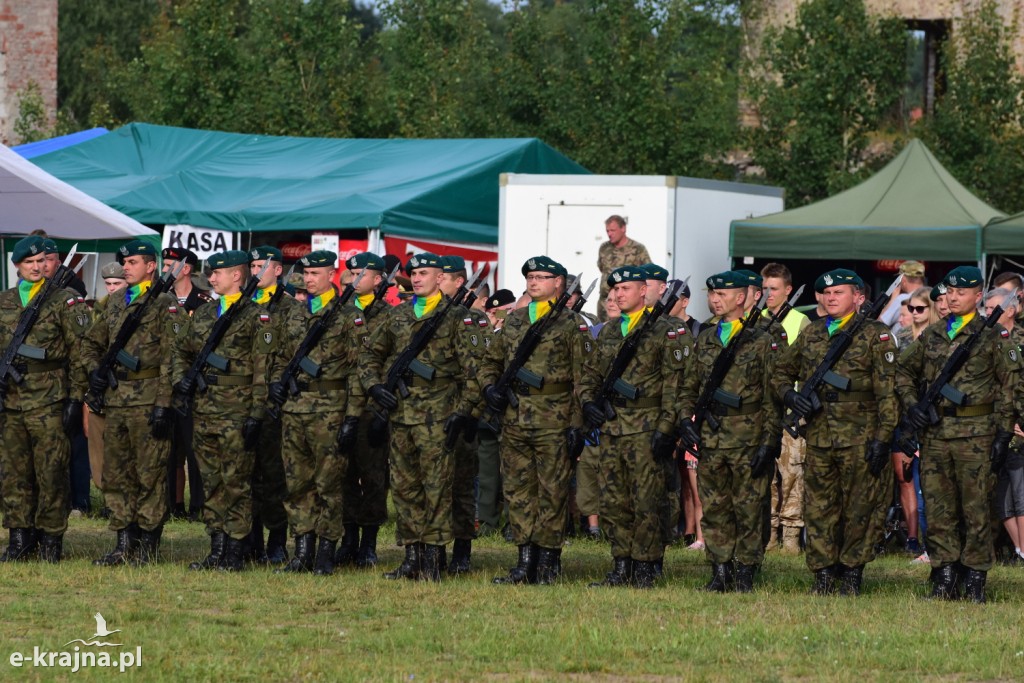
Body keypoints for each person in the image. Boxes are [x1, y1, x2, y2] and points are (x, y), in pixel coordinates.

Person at [895, 266, 1021, 603]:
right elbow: (903, 371)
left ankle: (975, 581)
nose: (953, 297)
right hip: (936, 435)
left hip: (977, 436)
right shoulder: (934, 335)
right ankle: (944, 577)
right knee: (938, 509)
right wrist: (913, 407)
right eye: (949, 291)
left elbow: (1012, 387)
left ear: (978, 296)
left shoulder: (994, 336)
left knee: (977, 510)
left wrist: (1003, 434)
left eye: (961, 292)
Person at [773, 268, 898, 595]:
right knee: (819, 508)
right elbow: (780, 372)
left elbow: (888, 393)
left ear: (858, 297)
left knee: (859, 507)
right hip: (820, 436)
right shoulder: (812, 333)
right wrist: (791, 396)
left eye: (839, 292)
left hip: (861, 435)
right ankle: (824, 573)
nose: (831, 297)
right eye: (826, 293)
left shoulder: (876, 334)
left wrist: (884, 438)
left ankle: (852, 573)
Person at [359, 252, 480, 582]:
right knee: (404, 487)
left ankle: (434, 559)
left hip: (439, 415)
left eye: (424, 272)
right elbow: (369, 353)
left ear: (441, 278)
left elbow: (475, 372)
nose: (416, 277)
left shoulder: (457, 318)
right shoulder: (397, 316)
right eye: (414, 273)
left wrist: (463, 412)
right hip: (400, 413)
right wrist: (373, 386)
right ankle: (412, 556)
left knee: (437, 488)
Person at [481, 256, 590, 585]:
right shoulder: (513, 322)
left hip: (553, 419)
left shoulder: (571, 324)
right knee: (517, 491)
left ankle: (547, 561)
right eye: (530, 276)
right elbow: (491, 359)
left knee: (552, 491)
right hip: (515, 419)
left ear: (559, 283)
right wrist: (489, 387)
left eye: (542, 277)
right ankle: (524, 559)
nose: (534, 282)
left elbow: (582, 377)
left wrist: (576, 424)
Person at [580, 265, 691, 588]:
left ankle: (646, 566)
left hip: (647, 428)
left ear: (644, 291)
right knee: (614, 500)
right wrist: (588, 402)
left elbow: (677, 383)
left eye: (624, 289)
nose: (617, 294)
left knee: (647, 501)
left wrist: (667, 428)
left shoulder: (667, 328)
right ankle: (621, 563)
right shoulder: (611, 331)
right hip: (614, 428)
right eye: (614, 290)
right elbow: (591, 374)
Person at [83, 240, 187, 566]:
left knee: (150, 474)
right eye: (124, 262)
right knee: (116, 474)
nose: (126, 267)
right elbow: (90, 342)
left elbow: (175, 356)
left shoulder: (165, 303)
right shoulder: (115, 303)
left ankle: (147, 545)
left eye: (132, 262)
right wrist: (97, 373)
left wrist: (164, 404)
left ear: (151, 266)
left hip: (148, 398)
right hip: (116, 401)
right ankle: (123, 543)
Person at [677, 271, 782, 593]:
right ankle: (720, 570)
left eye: (722, 294)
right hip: (712, 434)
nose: (714, 299)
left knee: (749, 507)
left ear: (741, 298)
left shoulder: (761, 339)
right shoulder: (705, 338)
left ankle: (746, 572)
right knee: (715, 506)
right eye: (711, 294)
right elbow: (689, 386)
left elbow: (773, 394)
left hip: (748, 435)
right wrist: (685, 420)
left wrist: (770, 440)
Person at [173, 250, 270, 572]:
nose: (211, 279)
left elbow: (263, 369)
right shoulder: (203, 314)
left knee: (236, 482)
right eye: (210, 274)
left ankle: (235, 551)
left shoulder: (257, 316)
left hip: (237, 410)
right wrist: (183, 381)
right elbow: (181, 352)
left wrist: (257, 413)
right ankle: (216, 546)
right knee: (210, 480)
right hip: (204, 408)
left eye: (217, 273)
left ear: (237, 276)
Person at [267, 250, 362, 576]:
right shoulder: (293, 315)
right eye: (306, 274)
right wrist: (277, 383)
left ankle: (324, 552)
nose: (309, 279)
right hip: (295, 409)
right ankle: (302, 550)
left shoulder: (348, 315)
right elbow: (278, 355)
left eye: (316, 273)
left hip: (329, 411)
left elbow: (359, 370)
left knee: (328, 486)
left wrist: (352, 417)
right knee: (297, 484)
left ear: (331, 275)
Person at [0, 236, 90, 563]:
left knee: (51, 472)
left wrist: (74, 399)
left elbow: (82, 354)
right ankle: (20, 539)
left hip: (49, 400)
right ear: (17, 266)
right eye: (30, 262)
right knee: (14, 473)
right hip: (10, 403)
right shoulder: (4, 301)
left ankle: (51, 542)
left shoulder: (64, 300)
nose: (37, 267)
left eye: (42, 261)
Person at [334, 252, 391, 570]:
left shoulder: (390, 315)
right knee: (343, 474)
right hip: (339, 404)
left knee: (372, 477)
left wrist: (383, 410)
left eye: (361, 273)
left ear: (378, 279)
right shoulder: (340, 311)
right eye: (350, 273)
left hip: (372, 407)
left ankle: (369, 543)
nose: (353, 278)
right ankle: (348, 539)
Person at [246, 245, 301, 565]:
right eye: (251, 266)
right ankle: (251, 539)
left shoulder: (291, 308)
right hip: (242, 402)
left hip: (274, 403)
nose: (256, 271)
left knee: (274, 475)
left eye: (261, 266)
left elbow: (292, 353)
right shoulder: (241, 304)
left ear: (278, 270)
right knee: (246, 473)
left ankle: (277, 539)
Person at [437, 255, 488, 575]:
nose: (436, 281)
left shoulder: (471, 320)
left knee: (461, 485)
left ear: (459, 282)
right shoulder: (431, 315)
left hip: (461, 411)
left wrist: (469, 412)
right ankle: (434, 549)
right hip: (432, 413)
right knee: (435, 485)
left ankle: (462, 550)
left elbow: (479, 371)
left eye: (443, 277)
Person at [760, 262, 811, 554]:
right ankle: (768, 534)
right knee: (767, 476)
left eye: (774, 289)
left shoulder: (800, 322)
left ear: (788, 290)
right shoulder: (756, 321)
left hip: (791, 411)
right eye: (765, 288)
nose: (768, 294)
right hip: (764, 410)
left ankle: (791, 535)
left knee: (792, 475)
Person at [162, 247, 213, 521]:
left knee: (194, 449)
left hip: (191, 384)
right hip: (162, 383)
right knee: (169, 450)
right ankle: (173, 504)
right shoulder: (159, 299)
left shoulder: (203, 302)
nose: (164, 268)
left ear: (186, 269)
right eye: (164, 263)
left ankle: (198, 506)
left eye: (170, 264)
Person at [892, 287, 939, 558]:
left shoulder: (940, 337)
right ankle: (916, 540)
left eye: (920, 308)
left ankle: (933, 546)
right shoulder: (901, 337)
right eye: (911, 308)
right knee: (907, 479)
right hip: (906, 417)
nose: (914, 313)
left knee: (930, 486)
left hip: (931, 419)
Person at [983, 287, 1024, 565]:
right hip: (993, 426)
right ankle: (1019, 549)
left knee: (1020, 492)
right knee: (1001, 498)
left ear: (1011, 310)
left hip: (1018, 426)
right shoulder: (982, 340)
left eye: (993, 309)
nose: (988, 314)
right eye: (986, 309)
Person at [477, 289, 517, 536]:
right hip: (486, 411)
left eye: (502, 311)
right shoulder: (485, 335)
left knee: (513, 471)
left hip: (511, 409)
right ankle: (487, 521)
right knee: (488, 471)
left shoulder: (516, 334)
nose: (498, 316)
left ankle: (513, 522)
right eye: (492, 312)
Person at [596, 215, 650, 322]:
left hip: (625, 302)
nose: (609, 234)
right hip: (605, 301)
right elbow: (602, 268)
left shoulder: (637, 249)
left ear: (623, 228)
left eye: (613, 230)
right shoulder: (604, 248)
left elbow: (646, 274)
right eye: (607, 231)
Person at [879, 260, 926, 328]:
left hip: (903, 338)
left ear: (903, 279)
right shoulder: (931, 295)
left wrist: (893, 299)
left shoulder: (902, 299)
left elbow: (879, 323)